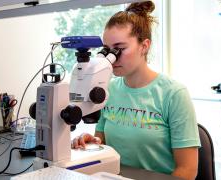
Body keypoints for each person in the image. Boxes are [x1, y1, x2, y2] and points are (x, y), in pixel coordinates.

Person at [71, 1, 201, 180]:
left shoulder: (173, 94)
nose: (112, 57)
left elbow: (187, 171)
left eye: (120, 49)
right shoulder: (107, 90)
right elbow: (103, 145)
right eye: (107, 50)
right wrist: (93, 144)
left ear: (144, 46)